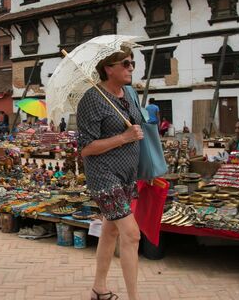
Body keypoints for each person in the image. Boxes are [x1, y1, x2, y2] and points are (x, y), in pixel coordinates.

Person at [77, 47, 143, 300]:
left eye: (132, 63)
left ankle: (99, 289)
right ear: (108, 68)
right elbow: (86, 149)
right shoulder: (92, 99)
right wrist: (124, 137)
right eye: (125, 64)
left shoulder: (129, 93)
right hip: (104, 175)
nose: (131, 68)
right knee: (131, 234)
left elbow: (138, 127)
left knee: (111, 230)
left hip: (127, 173)